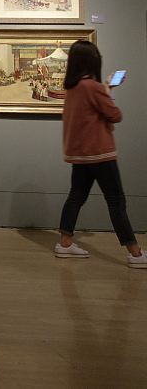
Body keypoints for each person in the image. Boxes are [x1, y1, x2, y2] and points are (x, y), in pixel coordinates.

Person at [54, 41, 146, 267]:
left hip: (80, 154)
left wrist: (107, 88)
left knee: (75, 197)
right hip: (99, 153)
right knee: (116, 201)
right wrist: (107, 91)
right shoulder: (92, 87)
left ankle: (64, 244)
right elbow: (115, 115)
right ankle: (135, 254)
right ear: (92, 61)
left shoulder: (73, 88)